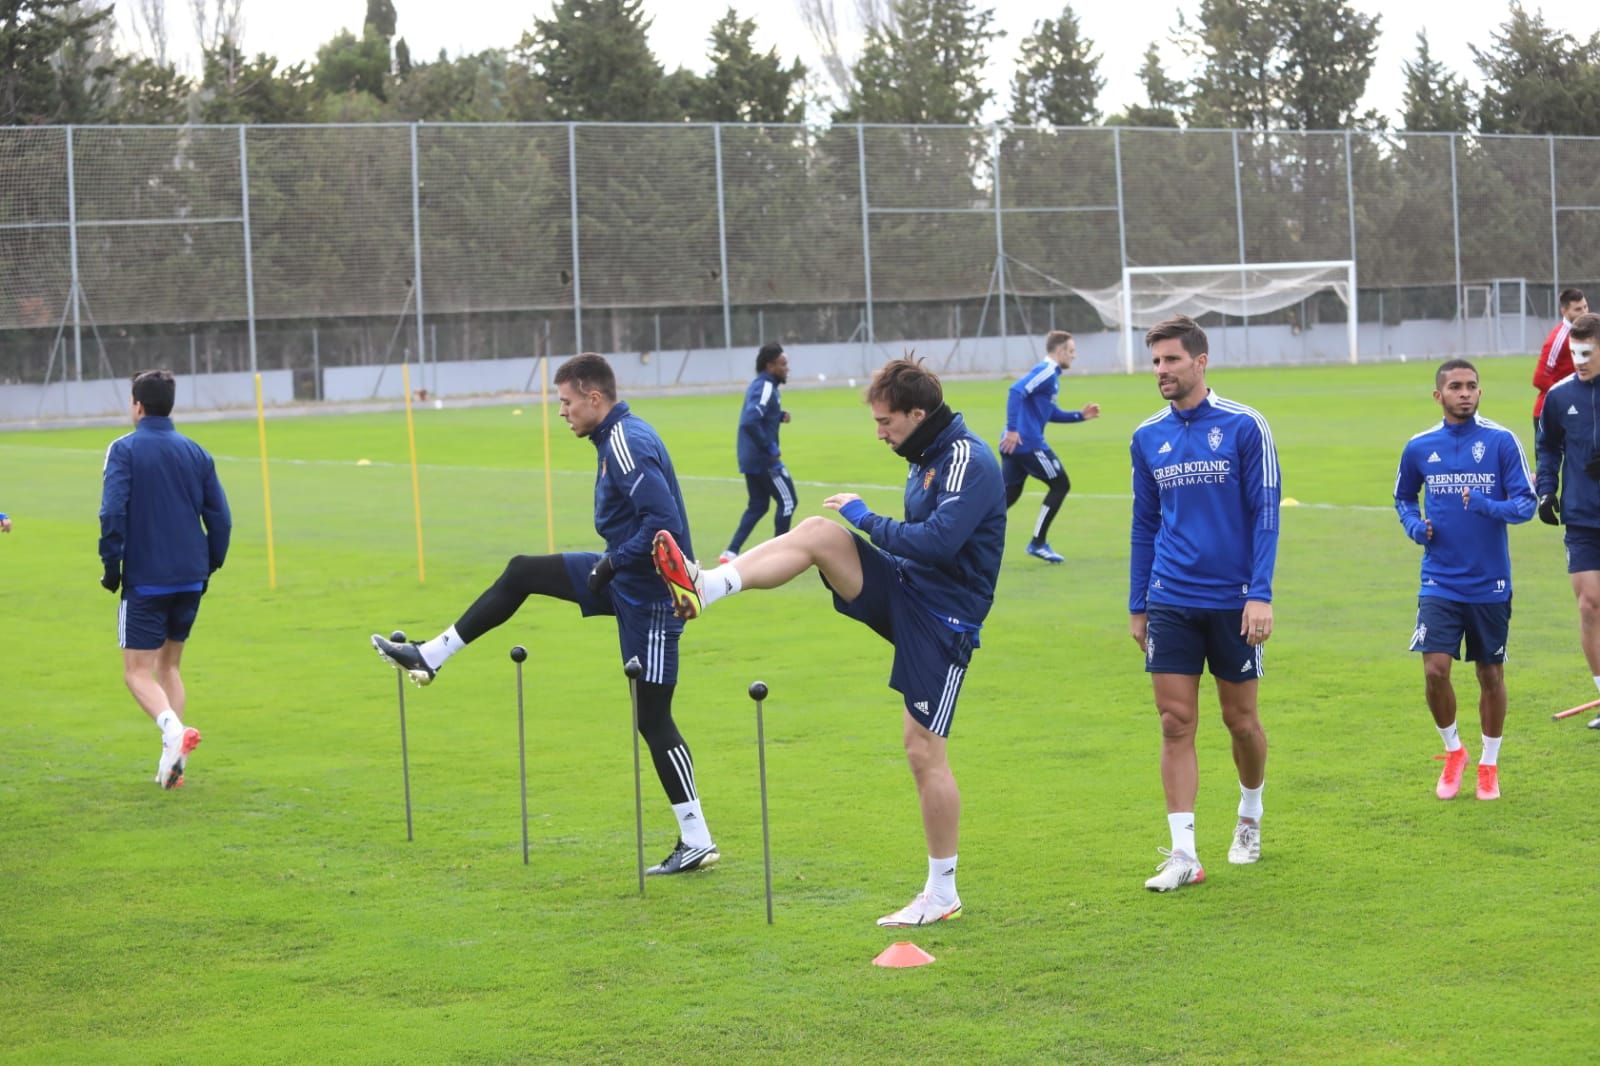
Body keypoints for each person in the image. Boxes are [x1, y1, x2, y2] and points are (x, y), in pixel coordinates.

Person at [650, 357, 1005, 926]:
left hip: (945, 619)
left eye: (887, 422)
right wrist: (865, 525)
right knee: (819, 533)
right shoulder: (924, 455)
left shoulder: (967, 459)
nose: (879, 432)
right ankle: (707, 585)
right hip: (910, 590)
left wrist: (867, 517)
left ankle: (942, 893)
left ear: (919, 414)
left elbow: (938, 543)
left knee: (923, 752)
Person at [370, 353, 721, 873]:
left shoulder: (627, 444)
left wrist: (613, 562)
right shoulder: (613, 439)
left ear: (594, 398)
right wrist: (612, 564)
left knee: (653, 719)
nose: (562, 412)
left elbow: (662, 523)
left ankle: (697, 839)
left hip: (651, 597)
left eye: (566, 402)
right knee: (522, 572)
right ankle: (429, 655)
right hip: (624, 578)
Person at [1129, 315, 1280, 892]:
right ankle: (1184, 853)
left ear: (1201, 360)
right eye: (1156, 361)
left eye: (1171, 360)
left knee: (1240, 721)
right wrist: (1138, 604)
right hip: (1170, 597)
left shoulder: (1245, 427)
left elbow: (1266, 514)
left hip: (1234, 601)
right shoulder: (1147, 436)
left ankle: (1249, 816)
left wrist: (1260, 593)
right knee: (1174, 722)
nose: (1161, 371)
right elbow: (1144, 523)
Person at [1394, 359, 1535, 801]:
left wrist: (1488, 506)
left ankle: (1489, 764)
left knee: (1490, 674)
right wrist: (1415, 527)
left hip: (1490, 580)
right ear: (1439, 395)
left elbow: (1526, 505)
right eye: (1455, 386)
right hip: (1439, 578)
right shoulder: (1419, 446)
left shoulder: (1500, 441)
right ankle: (1454, 751)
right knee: (1435, 670)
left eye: (1472, 386)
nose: (1465, 393)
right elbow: (1402, 497)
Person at [99, 369, 231, 789]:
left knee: (136, 672)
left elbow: (112, 512)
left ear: (137, 405)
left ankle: (173, 732)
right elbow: (221, 519)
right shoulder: (196, 451)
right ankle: (173, 763)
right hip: (190, 577)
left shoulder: (124, 449)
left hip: (147, 578)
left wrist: (111, 567)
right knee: (169, 665)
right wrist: (210, 564)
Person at [1535, 311, 1600, 732]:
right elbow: (1548, 448)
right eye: (1575, 352)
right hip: (1581, 518)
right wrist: (1546, 489)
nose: (1579, 359)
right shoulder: (1559, 397)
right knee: (1590, 605)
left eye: (1588, 353)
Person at [1000, 330, 1100, 563]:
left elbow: (1048, 412)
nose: (1074, 356)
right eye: (1072, 351)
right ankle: (1037, 543)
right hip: (1027, 444)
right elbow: (1015, 391)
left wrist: (1079, 416)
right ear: (1060, 351)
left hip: (1015, 445)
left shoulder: (1052, 376)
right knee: (1060, 484)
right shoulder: (1045, 371)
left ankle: (965, 536)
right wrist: (1013, 429)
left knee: (1008, 496)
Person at [719, 342, 795, 564]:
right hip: (764, 460)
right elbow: (750, 421)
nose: (787, 368)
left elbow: (760, 414)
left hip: (750, 458)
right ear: (770, 365)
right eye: (783, 364)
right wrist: (770, 447)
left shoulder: (762, 386)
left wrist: (778, 415)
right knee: (788, 501)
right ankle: (779, 556)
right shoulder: (766, 387)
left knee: (758, 505)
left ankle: (730, 552)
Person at [1532, 288, 1588, 437]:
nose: (1584, 312)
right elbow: (1539, 378)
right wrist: (1568, 398)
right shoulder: (1559, 338)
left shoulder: (1586, 333)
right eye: (1577, 309)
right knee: (1553, 460)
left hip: (1576, 410)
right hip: (1550, 413)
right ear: (1564, 311)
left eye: (1585, 307)